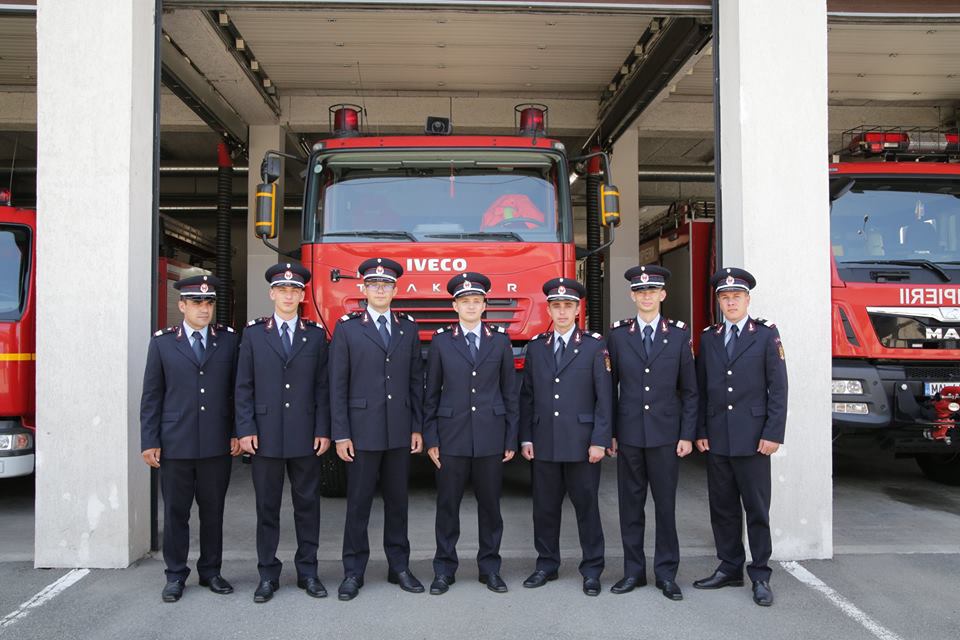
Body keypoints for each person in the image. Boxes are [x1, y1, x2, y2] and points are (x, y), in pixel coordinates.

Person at [140, 274, 240, 603]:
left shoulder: (227, 340)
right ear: (181, 305)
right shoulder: (163, 343)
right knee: (176, 513)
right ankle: (175, 575)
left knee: (212, 512)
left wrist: (238, 432)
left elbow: (237, 392)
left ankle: (211, 571)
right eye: (196, 302)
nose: (203, 308)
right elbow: (152, 396)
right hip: (176, 443)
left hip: (215, 442)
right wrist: (149, 440)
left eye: (209, 302)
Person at [235, 262, 331, 603]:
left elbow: (323, 387)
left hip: (306, 436)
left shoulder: (315, 335)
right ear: (272, 293)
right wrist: (244, 429)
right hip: (266, 436)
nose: (289, 295)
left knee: (308, 507)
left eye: (295, 290)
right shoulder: (253, 334)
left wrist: (323, 429)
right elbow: (243, 386)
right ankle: (267, 575)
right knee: (267, 509)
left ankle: (308, 572)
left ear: (302, 295)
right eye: (283, 290)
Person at [330, 257, 425, 601]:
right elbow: (337, 386)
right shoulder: (347, 328)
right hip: (361, 432)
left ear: (395, 290)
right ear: (364, 289)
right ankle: (353, 571)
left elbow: (417, 381)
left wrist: (417, 426)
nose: (380, 290)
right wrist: (341, 433)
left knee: (398, 503)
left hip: (399, 431)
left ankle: (399, 566)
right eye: (374, 285)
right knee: (358, 504)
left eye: (386, 285)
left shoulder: (408, 328)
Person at [693, 267, 788, 607]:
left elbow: (778, 388)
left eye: (736, 296)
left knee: (757, 509)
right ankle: (729, 566)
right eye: (725, 297)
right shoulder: (709, 337)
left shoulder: (765, 335)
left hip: (754, 439)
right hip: (717, 437)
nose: (730, 301)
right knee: (722, 507)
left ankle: (760, 574)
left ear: (747, 299)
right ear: (719, 301)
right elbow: (701, 388)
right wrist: (701, 430)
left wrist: (773, 433)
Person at [423, 272, 518, 595]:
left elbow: (510, 394)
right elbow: (431, 394)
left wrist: (510, 438)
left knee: (490, 507)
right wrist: (432, 438)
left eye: (477, 301)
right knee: (447, 507)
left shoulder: (500, 340)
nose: (471, 306)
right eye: (465, 301)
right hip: (451, 437)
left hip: (491, 437)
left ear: (484, 305)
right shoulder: (440, 341)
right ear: (455, 305)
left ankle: (490, 568)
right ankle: (444, 569)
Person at [607, 265, 697, 600]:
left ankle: (666, 574)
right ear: (632, 296)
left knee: (665, 507)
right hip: (629, 434)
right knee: (630, 507)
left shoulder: (678, 335)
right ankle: (633, 572)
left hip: (665, 436)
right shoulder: (617, 336)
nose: (646, 296)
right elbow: (608, 388)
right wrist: (610, 433)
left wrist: (687, 434)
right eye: (640, 291)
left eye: (651, 291)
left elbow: (690, 391)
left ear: (662, 295)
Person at [519, 278, 612, 597]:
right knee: (544, 508)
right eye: (556, 306)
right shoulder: (536, 347)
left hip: (583, 443)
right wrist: (526, 438)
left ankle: (592, 569)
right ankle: (546, 564)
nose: (561, 311)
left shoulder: (594, 345)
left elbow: (605, 397)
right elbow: (527, 396)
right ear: (549, 308)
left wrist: (600, 439)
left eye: (568, 306)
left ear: (577, 309)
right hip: (544, 441)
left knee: (587, 508)